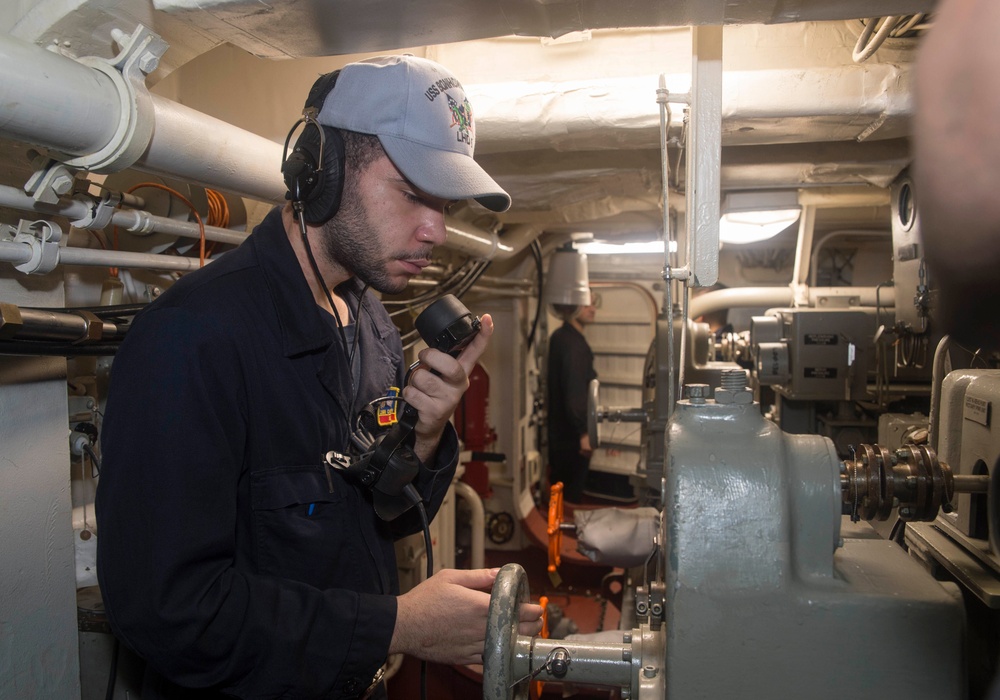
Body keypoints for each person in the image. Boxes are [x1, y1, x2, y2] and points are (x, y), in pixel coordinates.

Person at [95, 55, 541, 699]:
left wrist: (424, 434)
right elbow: (169, 610)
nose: (437, 230)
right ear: (323, 172)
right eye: (414, 193)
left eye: (445, 204)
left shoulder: (373, 325)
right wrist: (397, 624)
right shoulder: (192, 339)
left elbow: (377, 518)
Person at [546, 292, 598, 503]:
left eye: (594, 304)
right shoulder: (573, 345)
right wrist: (584, 432)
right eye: (586, 304)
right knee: (569, 497)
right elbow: (574, 390)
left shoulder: (562, 337)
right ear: (572, 308)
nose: (593, 309)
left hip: (561, 435)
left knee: (562, 494)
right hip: (571, 439)